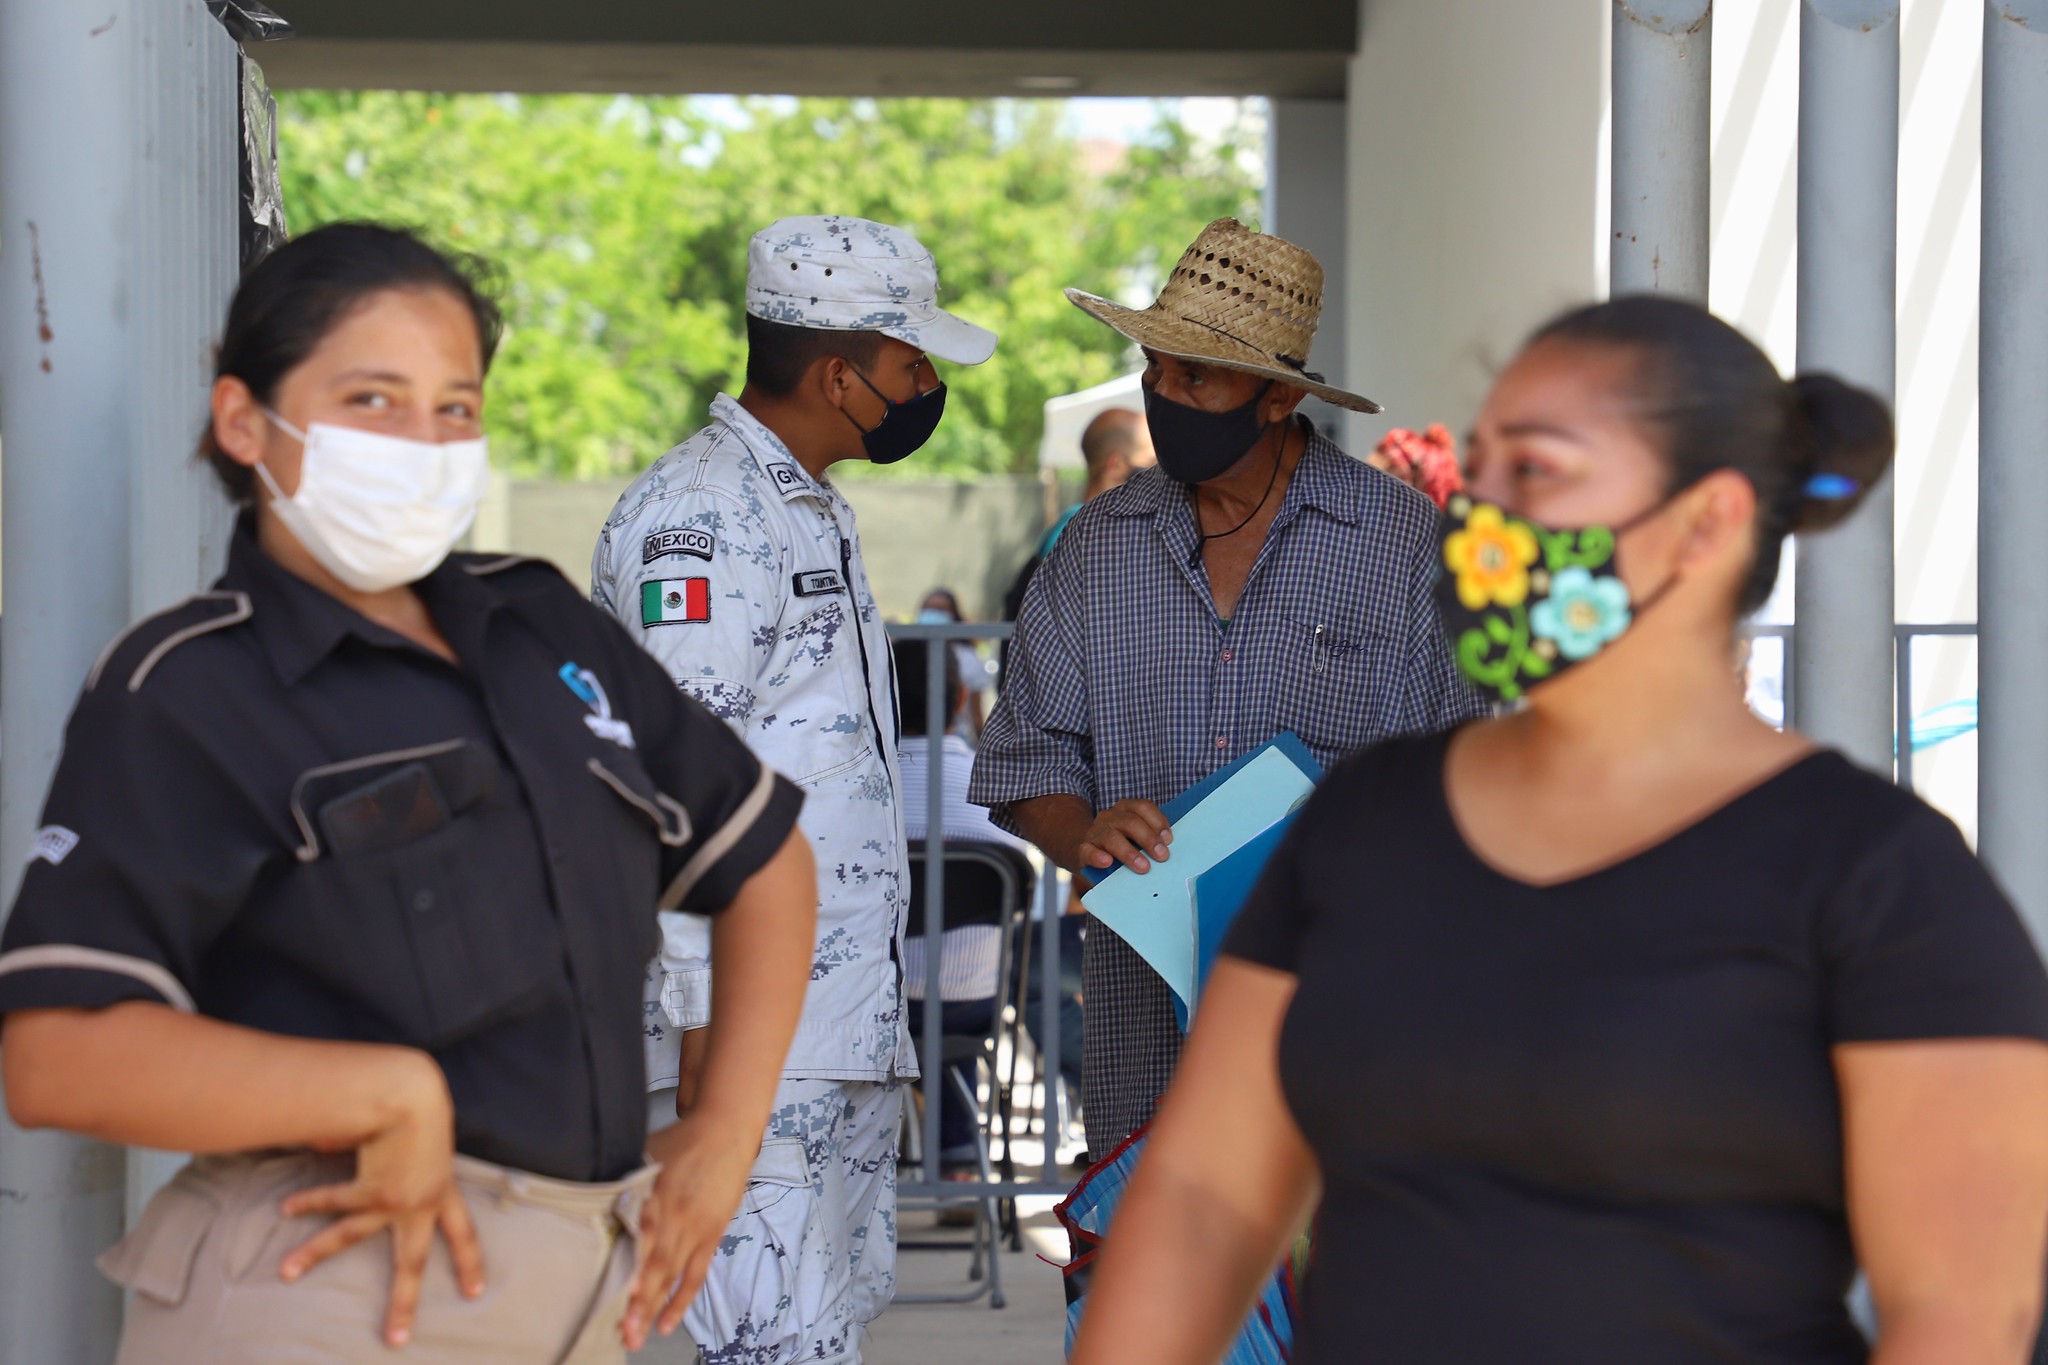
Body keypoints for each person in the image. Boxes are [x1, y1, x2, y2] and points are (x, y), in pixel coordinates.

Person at [1070, 296, 2048, 1365]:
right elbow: (1204, 1201)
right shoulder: (1365, 825)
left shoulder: (1877, 878)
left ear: (1707, 523)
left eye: (1533, 472)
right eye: (1478, 470)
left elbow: (1958, 1313)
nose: (1480, 517)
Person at [0, 224, 816, 1364]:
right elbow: (56, 1056)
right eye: (372, 400)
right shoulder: (190, 687)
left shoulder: (544, 630)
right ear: (245, 422)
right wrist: (380, 1095)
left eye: (455, 408)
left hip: (581, 1292)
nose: (422, 443)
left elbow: (765, 857)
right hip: (325, 1288)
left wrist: (727, 1131)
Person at [970, 217, 1485, 1158]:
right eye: (1155, 366)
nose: (1165, 391)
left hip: (1346, 1039)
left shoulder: (1406, 547)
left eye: (1196, 374)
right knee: (1143, 1293)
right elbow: (1026, 754)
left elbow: (1478, 777)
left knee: (1332, 1300)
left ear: (1280, 397)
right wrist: (1080, 828)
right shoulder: (1095, 547)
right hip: (1143, 1045)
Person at [589, 214, 996, 1364]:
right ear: (837, 372)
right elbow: (676, 796)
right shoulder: (705, 525)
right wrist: (708, 1040)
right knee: (772, 1348)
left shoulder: (802, 504)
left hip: (831, 1031)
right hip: (752, 1048)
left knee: (817, 1337)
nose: (926, 386)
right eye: (910, 362)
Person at [892, 637, 1038, 1175]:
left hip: (876, 1006)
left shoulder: (861, 796)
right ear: (959, 702)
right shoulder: (993, 793)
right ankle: (959, 1162)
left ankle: (872, 1161)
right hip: (971, 1007)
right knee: (958, 968)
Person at [999, 406, 1154, 626]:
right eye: (1151, 463)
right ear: (1116, 465)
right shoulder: (1085, 532)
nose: (1159, 473)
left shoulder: (1070, 524)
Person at [915, 588, 994, 738]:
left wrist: (982, 740)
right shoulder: (907, 653)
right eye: (928, 608)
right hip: (911, 736)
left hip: (955, 736)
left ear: (953, 615)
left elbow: (976, 710)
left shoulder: (968, 658)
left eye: (940, 609)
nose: (932, 614)